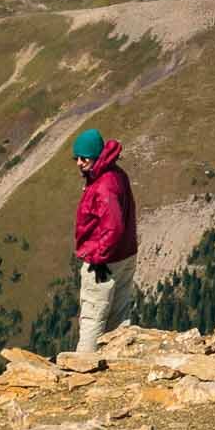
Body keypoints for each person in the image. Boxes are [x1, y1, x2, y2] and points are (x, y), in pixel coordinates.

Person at [71, 127, 137, 353]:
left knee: (93, 315)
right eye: (77, 158)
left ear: (96, 156)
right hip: (125, 255)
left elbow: (113, 226)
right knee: (118, 315)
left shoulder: (103, 186)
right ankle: (119, 362)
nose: (79, 163)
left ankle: (83, 366)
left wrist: (98, 257)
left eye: (84, 158)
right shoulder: (116, 174)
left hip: (104, 261)